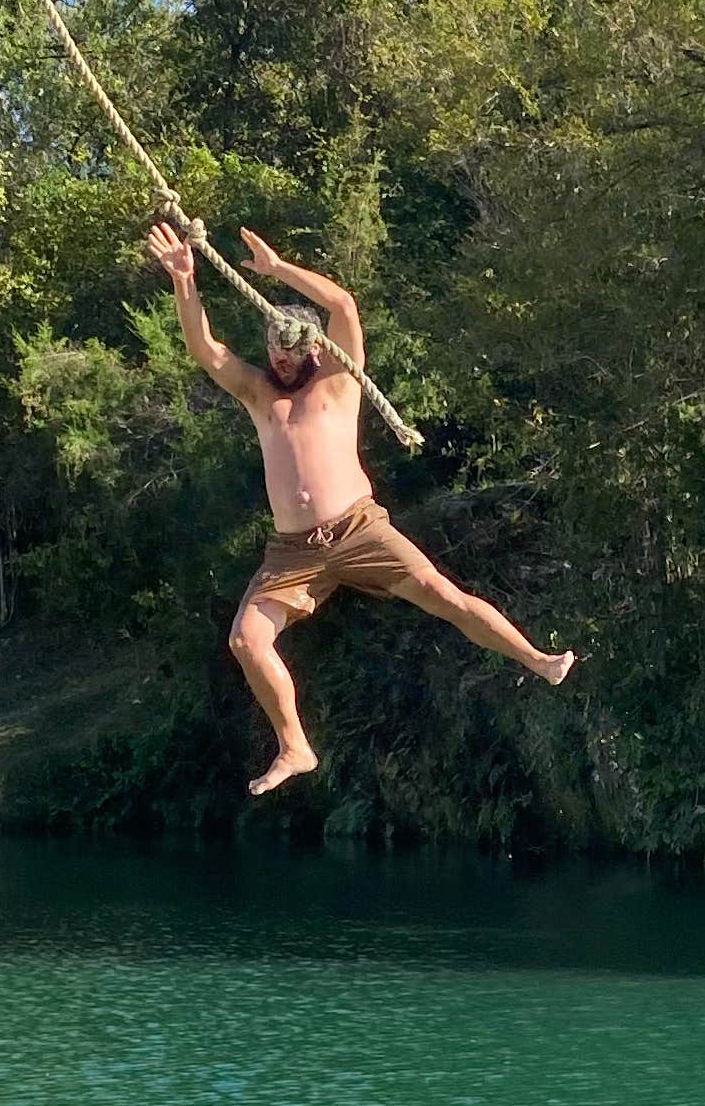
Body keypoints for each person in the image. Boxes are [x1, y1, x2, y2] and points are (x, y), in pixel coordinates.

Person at [145, 217, 574, 796]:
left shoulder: (342, 380)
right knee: (246, 640)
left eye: (293, 354)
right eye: (275, 352)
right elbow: (206, 349)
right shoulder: (259, 393)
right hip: (293, 551)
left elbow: (342, 302)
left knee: (446, 596)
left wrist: (277, 270)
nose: (282, 364)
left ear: (314, 348)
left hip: (359, 529)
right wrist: (184, 280)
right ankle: (295, 746)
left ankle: (538, 659)